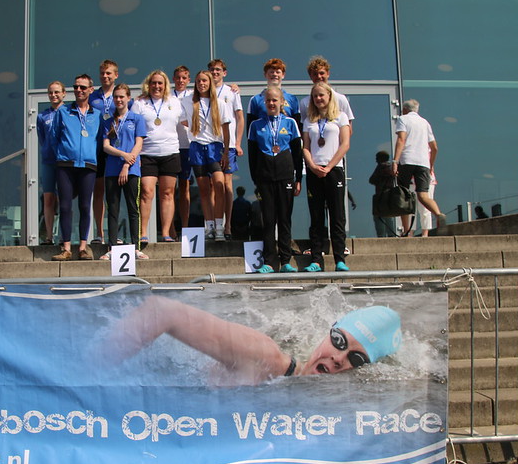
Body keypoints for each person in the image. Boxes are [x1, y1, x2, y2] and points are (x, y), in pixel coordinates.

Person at [107, 295, 402, 385]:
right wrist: (84, 373)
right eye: (339, 341)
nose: (339, 358)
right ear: (329, 332)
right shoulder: (267, 358)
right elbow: (160, 312)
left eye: (357, 358)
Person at [247, 87, 302, 273]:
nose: (271, 103)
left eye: (275, 100)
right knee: (268, 220)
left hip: (286, 174)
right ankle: (269, 261)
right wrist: (256, 178)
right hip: (264, 177)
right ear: (264, 102)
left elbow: (297, 153)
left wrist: (298, 177)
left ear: (281, 102)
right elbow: (252, 155)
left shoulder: (291, 123)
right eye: (268, 100)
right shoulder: (255, 125)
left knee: (284, 219)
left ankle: (286, 260)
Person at [50, 74, 101, 261]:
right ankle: (65, 248)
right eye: (76, 87)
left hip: (88, 165)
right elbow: (54, 138)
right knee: (64, 206)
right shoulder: (63, 112)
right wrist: (63, 155)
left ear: (90, 90)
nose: (78, 90)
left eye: (82, 87)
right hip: (66, 164)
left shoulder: (96, 115)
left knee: (85, 206)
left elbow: (99, 140)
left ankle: (82, 247)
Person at [302, 82, 351, 272]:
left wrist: (329, 166)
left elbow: (345, 144)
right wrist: (313, 166)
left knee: (337, 216)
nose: (318, 99)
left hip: (334, 169)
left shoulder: (340, 117)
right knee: (316, 217)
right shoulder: (309, 120)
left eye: (321, 95)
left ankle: (339, 259)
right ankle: (316, 259)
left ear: (329, 96)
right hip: (314, 171)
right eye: (315, 96)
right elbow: (305, 147)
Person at [131, 70, 183, 243]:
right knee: (146, 191)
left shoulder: (174, 102)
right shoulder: (140, 103)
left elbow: (187, 121)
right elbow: (131, 126)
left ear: (165, 85)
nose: (157, 86)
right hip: (147, 153)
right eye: (154, 83)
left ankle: (166, 233)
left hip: (170, 152)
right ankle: (143, 233)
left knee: (168, 193)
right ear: (148, 84)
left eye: (160, 83)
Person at [180, 70, 232, 241]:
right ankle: (209, 226)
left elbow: (225, 128)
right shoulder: (188, 101)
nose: (201, 83)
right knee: (203, 189)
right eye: (198, 81)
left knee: (219, 184)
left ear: (210, 82)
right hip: (196, 147)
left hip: (215, 147)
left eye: (204, 80)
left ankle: (219, 226)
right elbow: (182, 120)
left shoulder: (219, 102)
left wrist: (225, 151)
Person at [99, 84, 149, 260]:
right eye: (116, 97)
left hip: (132, 170)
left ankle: (136, 247)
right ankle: (112, 247)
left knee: (133, 208)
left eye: (122, 97)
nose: (119, 100)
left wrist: (127, 164)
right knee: (112, 209)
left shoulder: (136, 119)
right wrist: (123, 155)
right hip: (112, 170)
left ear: (128, 98)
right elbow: (106, 147)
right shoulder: (107, 121)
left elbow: (139, 144)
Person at [392, 99, 446, 234]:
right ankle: (439, 214)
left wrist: (395, 161)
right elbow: (434, 148)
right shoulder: (425, 123)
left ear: (404, 109)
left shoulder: (403, 119)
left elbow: (401, 139)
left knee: (404, 197)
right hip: (423, 163)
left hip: (407, 160)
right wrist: (431, 164)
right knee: (423, 195)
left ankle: (407, 232)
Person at [208, 59, 244, 240]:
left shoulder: (232, 91)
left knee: (227, 184)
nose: (215, 73)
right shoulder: (204, 90)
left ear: (224, 73)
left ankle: (227, 225)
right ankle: (215, 224)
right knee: (213, 185)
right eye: (212, 70)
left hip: (228, 145)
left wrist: (237, 143)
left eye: (218, 70)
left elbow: (240, 117)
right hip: (210, 143)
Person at [89, 60, 122, 244]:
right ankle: (100, 234)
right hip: (98, 148)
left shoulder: (121, 96)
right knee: (99, 191)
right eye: (102, 73)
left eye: (109, 73)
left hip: (117, 148)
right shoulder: (92, 97)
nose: (105, 76)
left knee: (116, 192)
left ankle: (116, 234)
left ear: (116, 75)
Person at [36, 80, 65, 245]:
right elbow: (42, 138)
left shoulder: (69, 113)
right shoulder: (42, 116)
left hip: (65, 162)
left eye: (56, 92)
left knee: (64, 199)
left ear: (63, 94)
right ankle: (48, 236)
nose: (53, 95)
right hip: (48, 161)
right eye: (51, 93)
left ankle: (64, 235)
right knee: (48, 199)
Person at [246, 58, 301, 134]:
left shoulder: (292, 99)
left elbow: (297, 128)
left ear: (283, 75)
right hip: (264, 144)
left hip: (286, 144)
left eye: (278, 72)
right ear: (265, 74)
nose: (274, 74)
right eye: (271, 72)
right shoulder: (255, 100)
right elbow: (250, 130)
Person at [299, 56, 355, 129]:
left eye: (322, 73)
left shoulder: (340, 99)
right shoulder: (305, 103)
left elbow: (348, 126)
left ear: (328, 74)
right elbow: (304, 129)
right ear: (310, 76)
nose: (319, 76)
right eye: (315, 74)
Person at [172, 65, 194, 234]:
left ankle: (185, 227)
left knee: (185, 187)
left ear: (188, 80)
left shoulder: (194, 96)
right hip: (171, 145)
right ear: (174, 79)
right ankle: (171, 228)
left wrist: (233, 87)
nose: (180, 81)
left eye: (183, 78)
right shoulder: (167, 96)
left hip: (189, 145)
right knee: (170, 189)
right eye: (178, 77)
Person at [369, 150, 395, 237]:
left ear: (380, 159)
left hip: (381, 195)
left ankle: (381, 236)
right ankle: (391, 235)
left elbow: (372, 179)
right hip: (390, 195)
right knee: (388, 217)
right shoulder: (392, 168)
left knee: (379, 217)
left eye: (377, 158)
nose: (376, 160)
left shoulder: (381, 167)